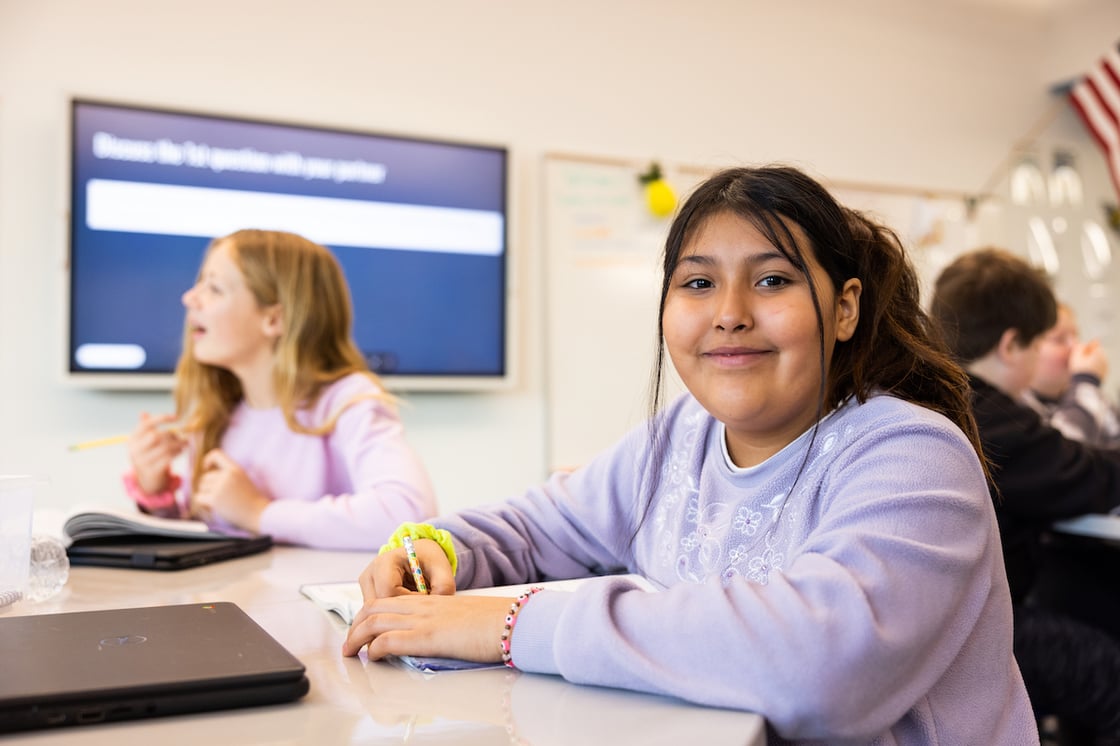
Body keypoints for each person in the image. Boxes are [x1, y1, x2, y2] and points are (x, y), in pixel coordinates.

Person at [342, 166, 1037, 744]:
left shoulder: (912, 453)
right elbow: (537, 525)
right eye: (698, 283)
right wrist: (437, 549)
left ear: (846, 308)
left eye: (772, 281)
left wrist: (510, 624)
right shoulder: (678, 437)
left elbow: (820, 666)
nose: (728, 312)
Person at [125, 229, 437, 551]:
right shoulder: (218, 415)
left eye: (214, 288)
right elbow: (207, 539)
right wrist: (156, 492)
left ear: (274, 319)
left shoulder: (347, 402)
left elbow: (410, 515)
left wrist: (260, 513)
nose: (189, 297)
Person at [930, 247, 1120, 742]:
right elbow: (1089, 477)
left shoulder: (936, 396)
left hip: (945, 622)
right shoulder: (987, 418)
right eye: (1042, 344)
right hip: (977, 635)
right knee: (1108, 673)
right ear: (1012, 344)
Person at [1024, 302, 1120, 449]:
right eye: (1059, 339)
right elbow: (1061, 452)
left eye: (1076, 336)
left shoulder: (1089, 398)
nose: (1076, 347)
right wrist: (1086, 380)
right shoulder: (1020, 409)